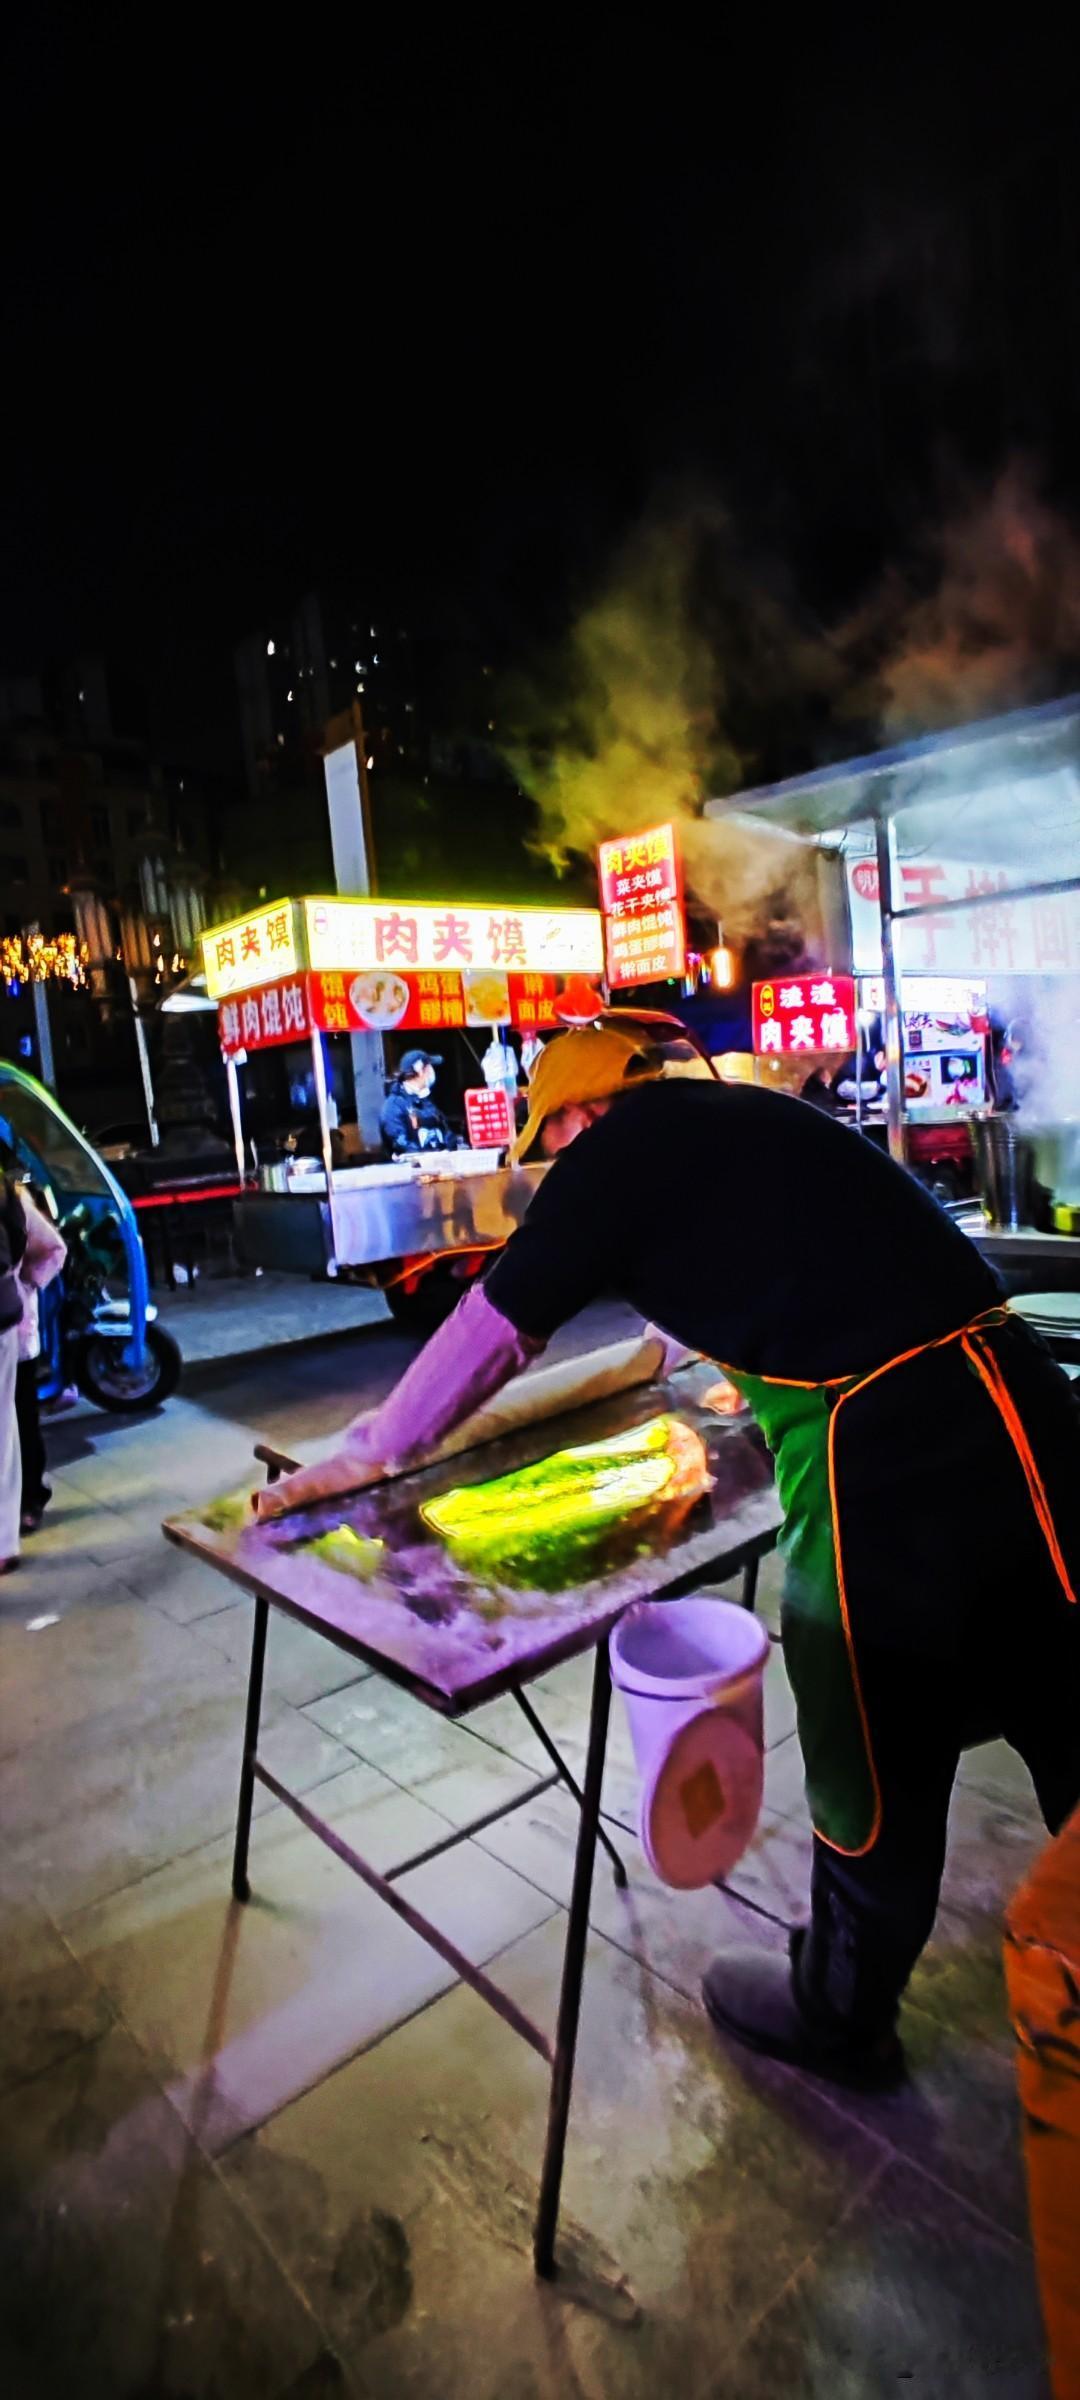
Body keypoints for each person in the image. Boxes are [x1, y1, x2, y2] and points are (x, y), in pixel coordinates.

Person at [257, 1024, 1080, 2090]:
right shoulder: (736, 1115)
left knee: (864, 1724)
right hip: (1025, 1403)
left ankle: (841, 2012)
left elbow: (498, 1327)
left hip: (889, 1451)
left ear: (576, 1115)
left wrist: (368, 1452)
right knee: (1063, 1673)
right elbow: (784, 1258)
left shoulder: (616, 1149)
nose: (558, 1172)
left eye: (551, 1147)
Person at [13, 1184, 66, 1535]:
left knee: (21, 1422)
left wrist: (25, 1284)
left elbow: (54, 1248)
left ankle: (30, 1498)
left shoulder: (11, 1202)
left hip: (11, 1335)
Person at [0, 1171, 28, 1576]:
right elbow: (19, 1241)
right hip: (2, 1312)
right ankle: (4, 1539)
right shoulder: (4, 1186)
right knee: (3, 1423)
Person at [379, 1050, 458, 1157]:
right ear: (421, 1071)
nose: (432, 1071)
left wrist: (448, 1148)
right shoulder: (393, 1106)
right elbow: (400, 1144)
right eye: (429, 1067)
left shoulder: (426, 1100)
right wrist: (428, 1157)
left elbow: (447, 1133)